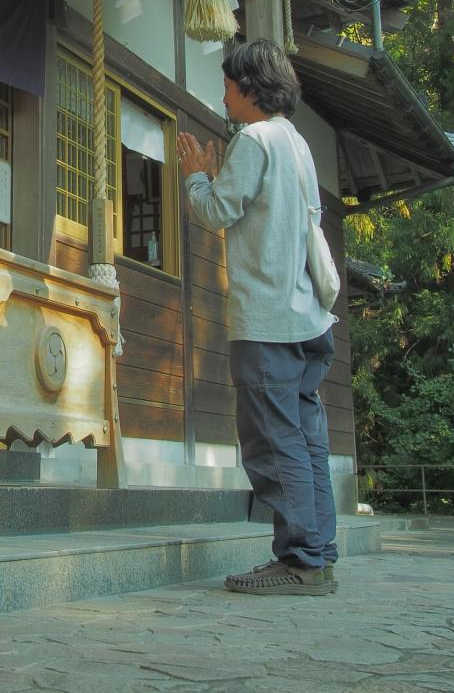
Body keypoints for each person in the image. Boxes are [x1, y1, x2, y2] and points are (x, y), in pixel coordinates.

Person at [176, 39, 338, 596]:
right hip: (310, 318)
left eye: (226, 87)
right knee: (307, 441)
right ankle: (320, 553)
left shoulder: (254, 140)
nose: (223, 97)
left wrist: (197, 175)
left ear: (248, 88)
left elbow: (216, 210)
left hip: (267, 320)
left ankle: (298, 561)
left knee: (273, 442)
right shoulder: (298, 143)